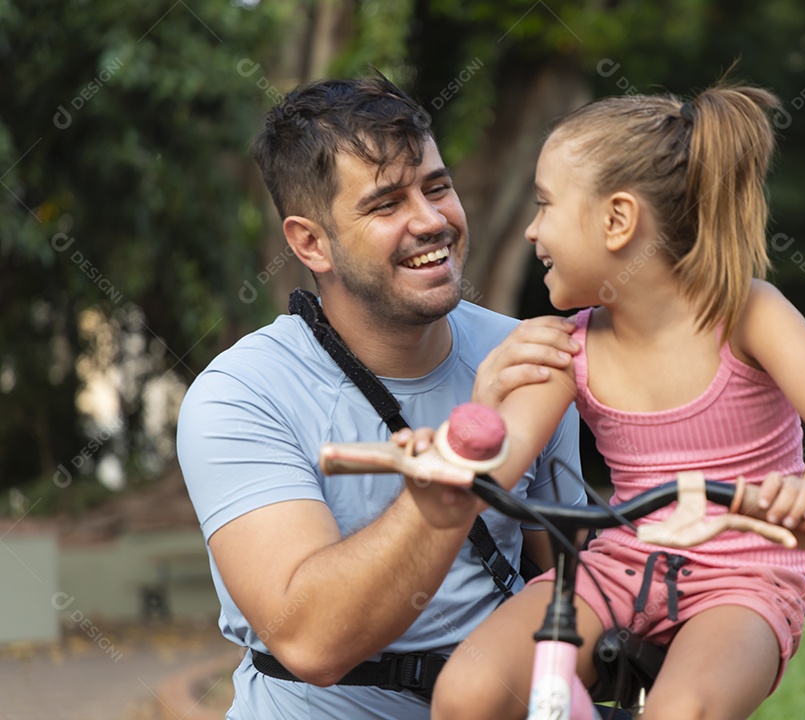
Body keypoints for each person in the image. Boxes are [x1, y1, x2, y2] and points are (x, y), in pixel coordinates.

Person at [416, 78, 805, 720]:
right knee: (467, 692)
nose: (530, 230)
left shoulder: (746, 313)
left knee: (681, 711)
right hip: (618, 567)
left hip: (743, 576)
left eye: (545, 204)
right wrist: (468, 429)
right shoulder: (563, 348)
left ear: (617, 221)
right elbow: (500, 464)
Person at [175, 73, 586, 720]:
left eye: (438, 187)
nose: (431, 221)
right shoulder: (240, 396)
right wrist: (450, 480)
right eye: (386, 204)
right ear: (310, 242)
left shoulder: (527, 355)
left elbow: (568, 573)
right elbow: (310, 640)